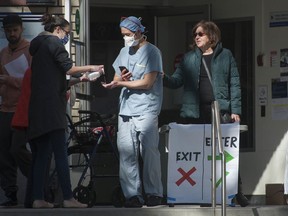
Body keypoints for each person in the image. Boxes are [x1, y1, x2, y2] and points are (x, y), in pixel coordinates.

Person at [163, 20, 249, 207]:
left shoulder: (226, 55)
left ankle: (236, 192)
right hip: (195, 112)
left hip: (219, 111)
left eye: (200, 34)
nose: (196, 37)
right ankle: (203, 194)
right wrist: (162, 78)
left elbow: (234, 83)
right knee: (200, 154)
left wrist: (236, 110)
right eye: (195, 34)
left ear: (211, 36)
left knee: (226, 153)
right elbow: (176, 81)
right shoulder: (188, 58)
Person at [27, 13, 104, 208]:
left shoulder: (38, 48)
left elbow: (55, 80)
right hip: (53, 108)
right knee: (61, 153)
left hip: (38, 108)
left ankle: (38, 198)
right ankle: (69, 198)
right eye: (67, 32)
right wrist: (92, 66)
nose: (67, 36)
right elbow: (68, 69)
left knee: (42, 154)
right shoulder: (54, 44)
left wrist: (83, 79)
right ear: (58, 30)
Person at [102, 16, 163, 207]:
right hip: (126, 110)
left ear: (138, 32)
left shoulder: (152, 52)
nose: (126, 39)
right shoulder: (124, 51)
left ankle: (154, 193)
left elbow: (147, 82)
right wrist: (120, 79)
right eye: (123, 35)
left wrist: (122, 82)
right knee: (127, 153)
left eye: (128, 35)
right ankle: (132, 196)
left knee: (149, 152)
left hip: (146, 108)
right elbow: (117, 75)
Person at [0, 14, 32, 207]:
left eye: (15, 30)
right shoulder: (3, 53)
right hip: (5, 109)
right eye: (8, 31)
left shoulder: (29, 51)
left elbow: (32, 82)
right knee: (3, 153)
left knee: (18, 149)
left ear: (21, 29)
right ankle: (10, 193)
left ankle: (40, 183)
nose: (12, 34)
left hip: (23, 109)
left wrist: (8, 80)